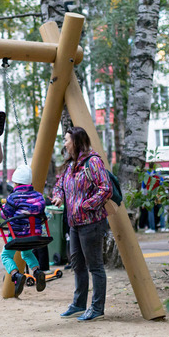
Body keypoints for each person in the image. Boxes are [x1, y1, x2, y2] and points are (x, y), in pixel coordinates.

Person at [52, 126, 112, 322]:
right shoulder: (71, 165)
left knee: (95, 266)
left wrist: (86, 205)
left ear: (76, 142)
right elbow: (59, 185)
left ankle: (97, 308)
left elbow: (105, 189)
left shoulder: (93, 162)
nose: (64, 143)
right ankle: (79, 304)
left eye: (67, 140)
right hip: (74, 223)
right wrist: (59, 197)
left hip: (90, 222)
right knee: (77, 264)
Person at [0, 165, 47, 297]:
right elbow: (41, 211)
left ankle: (16, 275)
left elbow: (5, 215)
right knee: (26, 253)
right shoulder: (39, 196)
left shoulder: (13, 197)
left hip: (18, 235)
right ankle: (37, 271)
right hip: (35, 234)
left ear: (15, 182)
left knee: (6, 255)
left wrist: (3, 208)